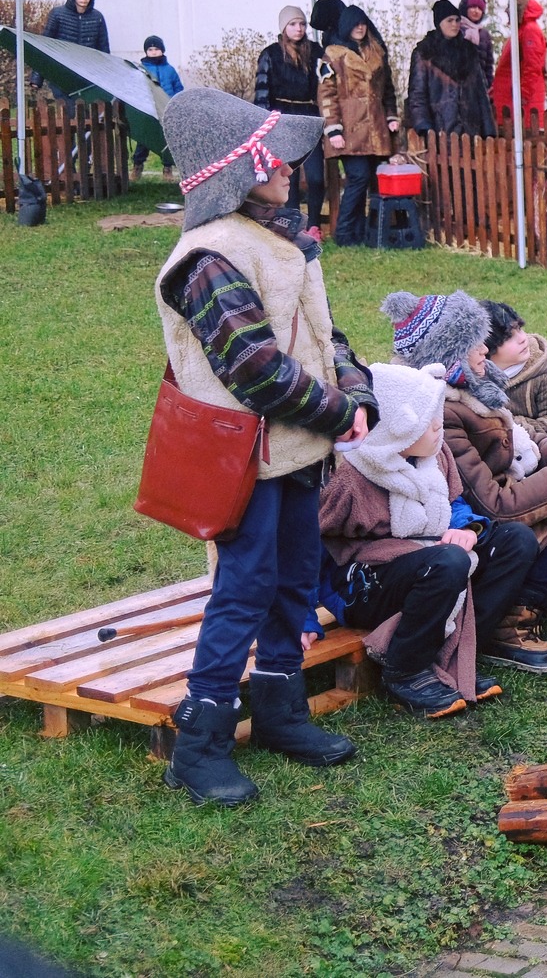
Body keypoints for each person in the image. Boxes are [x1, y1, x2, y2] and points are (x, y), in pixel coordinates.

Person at [153, 87, 377, 805]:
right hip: (243, 456)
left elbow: (324, 332)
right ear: (237, 171)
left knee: (293, 577)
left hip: (296, 449)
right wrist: (337, 412)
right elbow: (252, 368)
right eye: (271, 157)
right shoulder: (209, 258)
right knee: (243, 586)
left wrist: (357, 388)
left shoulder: (282, 237)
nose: (288, 167)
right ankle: (202, 740)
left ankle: (281, 711)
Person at [382, 290, 547, 671]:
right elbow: (492, 506)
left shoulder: (476, 386)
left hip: (498, 503)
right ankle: (510, 616)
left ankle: (531, 596)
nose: (484, 351)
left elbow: (517, 440)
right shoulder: (440, 410)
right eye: (476, 343)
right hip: (472, 526)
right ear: (451, 351)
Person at [316, 360, 536, 716]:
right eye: (426, 418)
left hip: (427, 561)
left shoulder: (435, 456)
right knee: (448, 562)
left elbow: (454, 502)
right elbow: (307, 544)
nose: (438, 426)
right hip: (365, 583)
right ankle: (406, 668)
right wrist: (301, 617)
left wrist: (466, 529)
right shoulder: (349, 480)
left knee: (515, 541)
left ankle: (454, 651)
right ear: (394, 426)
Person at [320, 6, 400, 246]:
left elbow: (388, 90)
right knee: (358, 178)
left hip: (376, 129)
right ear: (346, 26)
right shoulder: (332, 56)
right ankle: (344, 233)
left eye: (363, 23)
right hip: (349, 129)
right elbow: (326, 95)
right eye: (355, 24)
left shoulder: (377, 52)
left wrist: (391, 116)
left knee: (374, 180)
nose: (360, 28)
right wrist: (333, 129)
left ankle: (368, 233)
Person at [255, 7, 328, 229]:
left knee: (316, 176)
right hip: (282, 120)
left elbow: (327, 84)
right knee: (290, 177)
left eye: (302, 24)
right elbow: (262, 91)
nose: (298, 28)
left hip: (309, 119)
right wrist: (264, 126)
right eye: (293, 24)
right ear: (284, 27)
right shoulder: (271, 54)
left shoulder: (315, 52)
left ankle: (313, 224)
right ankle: (292, 225)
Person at [405, 0, 496, 140]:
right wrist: (424, 128)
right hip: (440, 129)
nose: (455, 24)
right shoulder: (424, 52)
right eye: (449, 20)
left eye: (457, 20)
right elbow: (417, 95)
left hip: (471, 129)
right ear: (439, 23)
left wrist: (488, 130)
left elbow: (480, 93)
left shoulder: (468, 50)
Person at [484, 299, 547, 438]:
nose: (522, 338)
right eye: (509, 337)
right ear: (485, 349)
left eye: (519, 328)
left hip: (537, 453)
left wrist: (512, 424)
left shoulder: (540, 372)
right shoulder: (472, 377)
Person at [491, 0, 547, 132]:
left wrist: (523, 95)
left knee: (523, 144)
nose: (506, 11)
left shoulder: (529, 30)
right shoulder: (522, 30)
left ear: (518, 9)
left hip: (522, 103)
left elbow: (533, 66)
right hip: (512, 98)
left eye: (509, 7)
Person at [132, 35, 185, 176]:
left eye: (156, 49)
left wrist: (175, 102)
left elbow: (178, 89)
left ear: (162, 50)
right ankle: (137, 165)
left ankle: (167, 168)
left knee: (166, 140)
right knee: (144, 140)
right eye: (150, 49)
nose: (154, 52)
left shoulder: (170, 70)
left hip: (167, 109)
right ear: (146, 51)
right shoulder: (141, 70)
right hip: (149, 109)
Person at [43, 0, 109, 51]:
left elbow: (104, 49)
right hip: (62, 60)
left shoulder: (98, 18)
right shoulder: (57, 14)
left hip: (88, 61)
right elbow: (46, 44)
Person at [459, 0, 494, 69]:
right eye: (473, 7)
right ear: (465, 8)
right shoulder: (455, 30)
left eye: (480, 8)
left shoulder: (484, 34)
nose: (476, 11)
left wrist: (487, 81)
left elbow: (489, 64)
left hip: (479, 80)